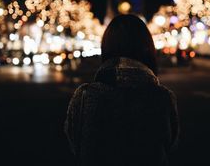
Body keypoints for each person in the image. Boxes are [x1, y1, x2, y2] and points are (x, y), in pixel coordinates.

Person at [65, 14, 179, 166]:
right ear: (147, 48)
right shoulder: (163, 97)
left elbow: (74, 145)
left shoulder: (85, 96)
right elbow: (170, 147)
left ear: (106, 47)